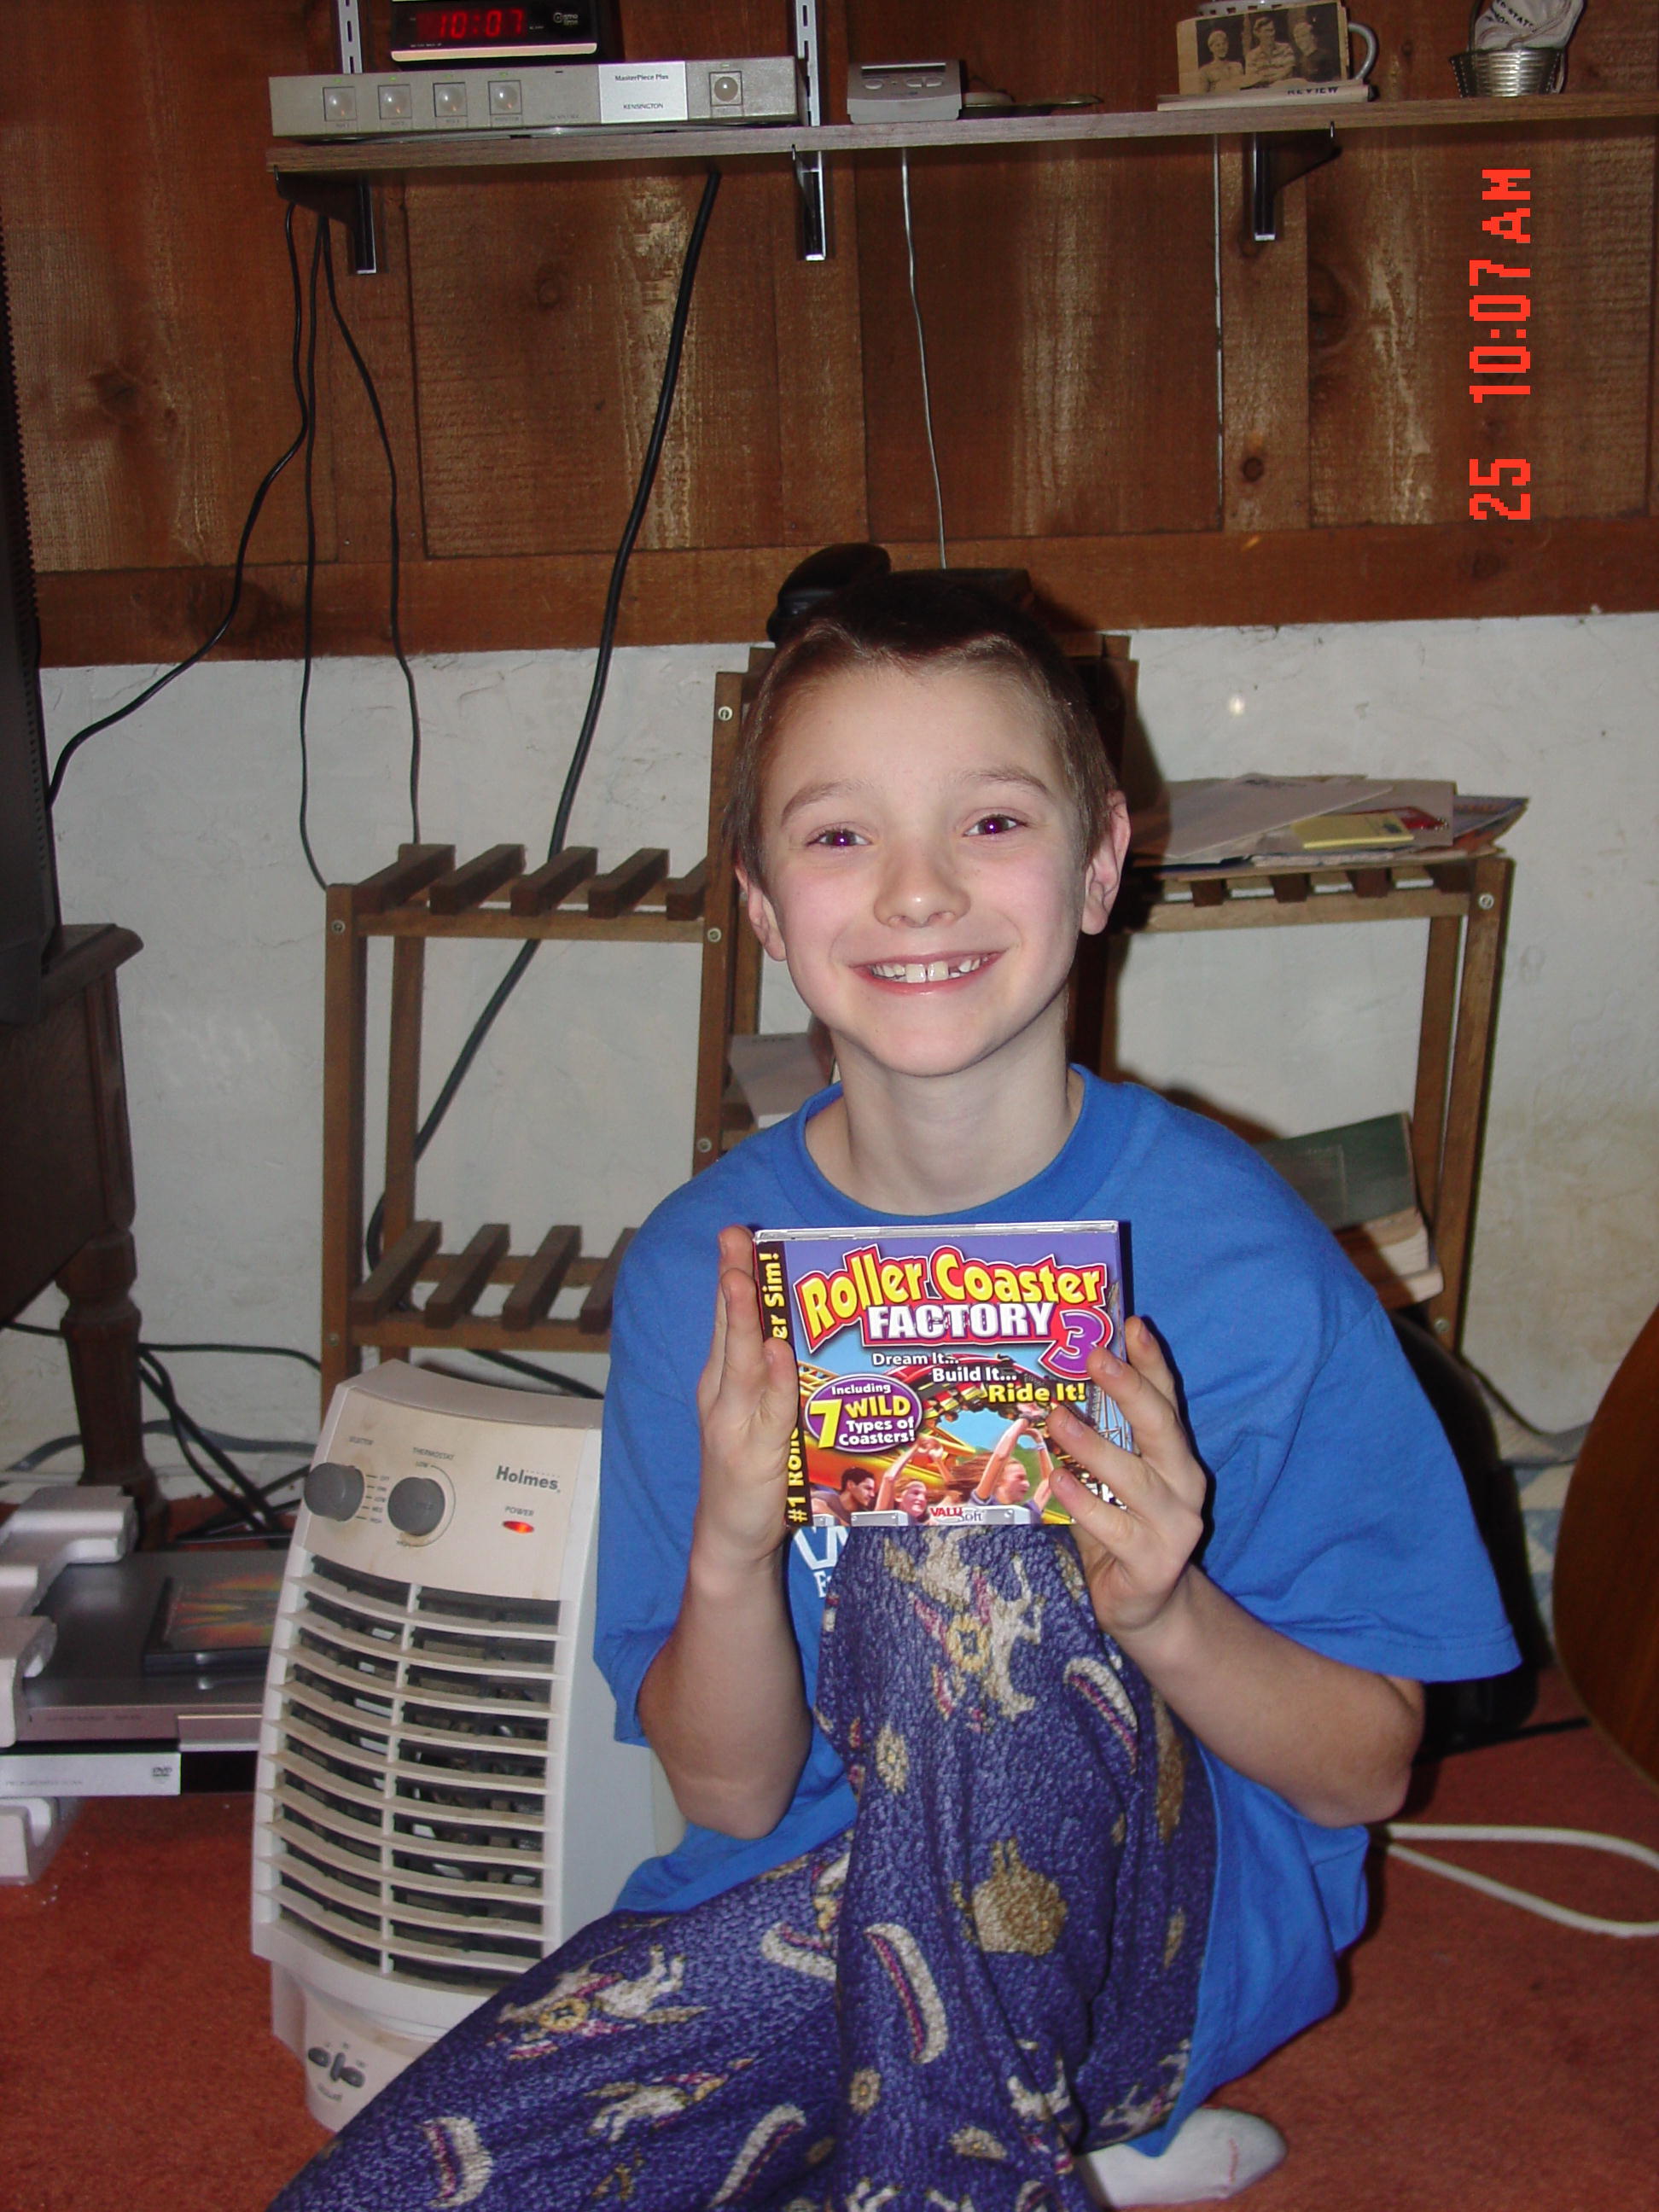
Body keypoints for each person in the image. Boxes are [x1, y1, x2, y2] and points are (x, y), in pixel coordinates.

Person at [268, 577, 1517, 2211]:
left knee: (955, 1535)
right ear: (761, 905)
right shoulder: (702, 1272)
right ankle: (979, 2149)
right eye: (839, 835)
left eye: (987, 821)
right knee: (392, 2189)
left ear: (1097, 863)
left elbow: (1361, 1772)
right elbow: (727, 1795)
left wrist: (1163, 1614)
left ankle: (982, 2151)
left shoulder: (1247, 1264)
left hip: (1147, 1948)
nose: (916, 890)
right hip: (801, 1917)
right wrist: (730, 1547)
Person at [1239, 10, 1298, 84]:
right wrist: (1274, 79)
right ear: (1258, 34)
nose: (1271, 34)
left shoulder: (1286, 48)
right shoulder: (1251, 56)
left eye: (1272, 30)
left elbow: (1288, 71)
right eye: (1267, 31)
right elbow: (1253, 78)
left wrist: (1267, 79)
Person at [1196, 25, 1246, 95]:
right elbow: (1202, 96)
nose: (1222, 48)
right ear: (1211, 48)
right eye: (1218, 45)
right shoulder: (1205, 71)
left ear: (1227, 45)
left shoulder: (1237, 66)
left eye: (1224, 44)